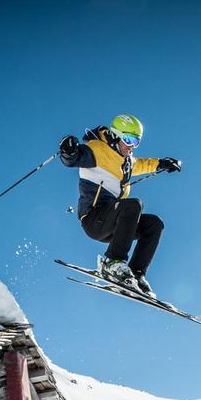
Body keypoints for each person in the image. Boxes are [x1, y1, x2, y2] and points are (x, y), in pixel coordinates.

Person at [58, 114, 181, 299]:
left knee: (154, 224)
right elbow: (74, 158)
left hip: (115, 225)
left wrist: (162, 163)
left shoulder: (127, 161)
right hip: (94, 219)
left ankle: (135, 274)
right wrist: (69, 152)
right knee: (133, 205)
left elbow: (143, 164)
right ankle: (112, 262)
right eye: (129, 140)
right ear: (115, 135)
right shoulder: (96, 149)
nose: (131, 146)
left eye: (136, 142)